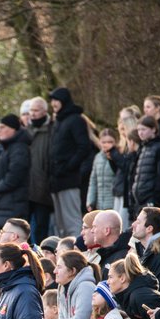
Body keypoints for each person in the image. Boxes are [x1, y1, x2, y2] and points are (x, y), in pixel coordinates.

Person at [47, 87, 94, 237]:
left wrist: (69, 166)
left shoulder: (75, 120)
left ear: (64, 101)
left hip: (69, 180)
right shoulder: (57, 122)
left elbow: (84, 147)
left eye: (56, 100)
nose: (53, 103)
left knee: (72, 222)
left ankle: (76, 249)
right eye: (52, 100)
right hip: (56, 181)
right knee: (60, 225)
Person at [0, 114, 32, 243]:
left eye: (3, 127)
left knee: (9, 243)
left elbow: (15, 175)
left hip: (11, 204)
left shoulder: (19, 148)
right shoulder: (3, 148)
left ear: (13, 129)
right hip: (0, 204)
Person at [25, 97, 54, 240]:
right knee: (24, 226)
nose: (32, 113)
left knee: (42, 227)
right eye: (31, 110)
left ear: (44, 111)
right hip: (26, 187)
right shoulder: (25, 131)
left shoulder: (52, 130)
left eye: (36, 110)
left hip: (44, 188)